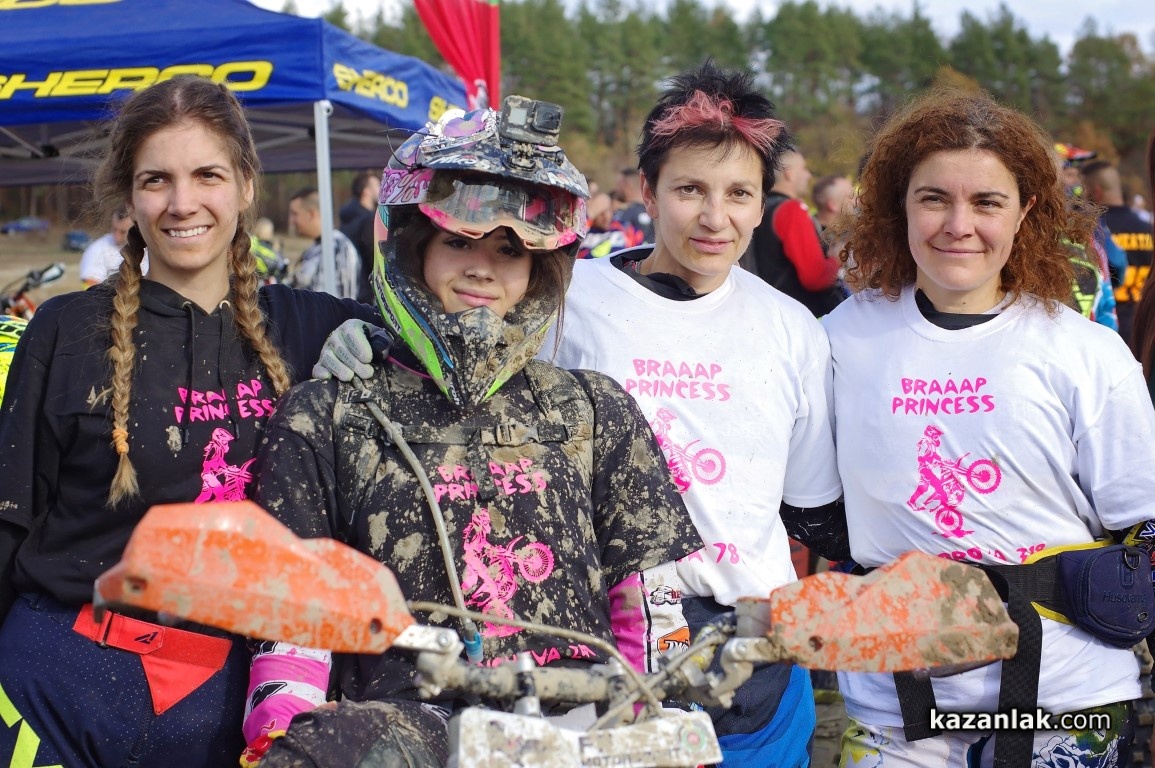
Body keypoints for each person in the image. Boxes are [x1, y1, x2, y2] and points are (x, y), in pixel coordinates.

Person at [240, 97, 704, 767]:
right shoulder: (327, 414)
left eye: (510, 248)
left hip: (575, 731)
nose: (482, 267)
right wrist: (283, 734)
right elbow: (294, 622)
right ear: (414, 247)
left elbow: (650, 609)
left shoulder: (592, 409)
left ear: (540, 264)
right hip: (407, 732)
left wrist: (665, 722)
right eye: (458, 240)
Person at [0, 75, 378, 768]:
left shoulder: (314, 328)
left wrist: (387, 339)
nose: (182, 203)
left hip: (233, 705)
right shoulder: (63, 331)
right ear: (129, 196)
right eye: (156, 180)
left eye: (207, 175)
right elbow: (9, 522)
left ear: (246, 185)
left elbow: (453, 309)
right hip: (53, 687)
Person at [824, 88, 1155, 768]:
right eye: (933, 199)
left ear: (1025, 210)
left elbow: (1145, 520)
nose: (958, 225)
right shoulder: (836, 339)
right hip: (892, 709)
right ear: (899, 204)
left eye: (986, 202)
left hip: (1070, 701)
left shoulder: (1083, 352)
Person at [544, 61, 848, 765]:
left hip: (755, 663)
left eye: (739, 193)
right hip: (600, 648)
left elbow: (807, 502)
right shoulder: (566, 299)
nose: (716, 218)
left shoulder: (791, 328)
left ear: (763, 203)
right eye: (690, 190)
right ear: (647, 191)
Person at [743, 145, 845, 317]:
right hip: (798, 315)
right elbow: (815, 277)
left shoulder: (758, 208)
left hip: (765, 310)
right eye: (804, 169)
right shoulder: (791, 210)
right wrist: (837, 259)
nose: (808, 175)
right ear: (789, 173)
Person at [1082, 159, 1155, 339]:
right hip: (1146, 324)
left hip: (1107, 326)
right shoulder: (1148, 227)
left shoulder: (1093, 229)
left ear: (1096, 191)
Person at [286, 186, 361, 298]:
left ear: (311, 214)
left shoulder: (338, 248)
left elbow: (338, 299)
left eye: (295, 214)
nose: (291, 220)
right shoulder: (318, 247)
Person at [338, 170, 380, 301]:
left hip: (348, 289)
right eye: (377, 186)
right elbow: (375, 259)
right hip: (364, 293)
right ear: (366, 192)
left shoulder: (346, 219)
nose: (381, 189)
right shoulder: (369, 221)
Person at [77, 208, 136, 286]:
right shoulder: (97, 250)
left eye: (123, 232)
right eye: (114, 229)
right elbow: (89, 285)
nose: (117, 237)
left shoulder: (148, 249)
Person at [610, 166, 655, 247]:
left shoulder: (623, 214)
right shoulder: (655, 210)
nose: (616, 189)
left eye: (618, 184)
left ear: (626, 185)